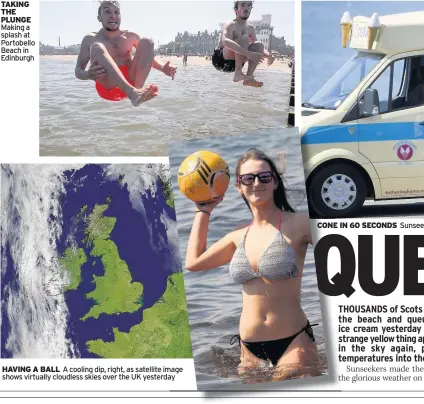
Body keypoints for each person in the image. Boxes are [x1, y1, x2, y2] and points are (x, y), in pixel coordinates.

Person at [185, 149, 318, 380]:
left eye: (264, 177)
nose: (257, 183)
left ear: (274, 182)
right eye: (248, 178)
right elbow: (193, 263)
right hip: (249, 351)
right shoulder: (238, 235)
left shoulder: (299, 223)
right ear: (238, 186)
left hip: (294, 343)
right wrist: (204, 210)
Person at [74, 1, 176, 106]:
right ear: (99, 18)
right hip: (107, 86)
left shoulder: (131, 36)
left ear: (120, 16)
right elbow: (78, 71)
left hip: (132, 83)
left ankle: (137, 92)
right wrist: (88, 75)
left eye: (116, 12)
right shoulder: (90, 39)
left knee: (147, 41)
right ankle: (133, 93)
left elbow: (147, 58)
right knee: (96, 46)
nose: (113, 16)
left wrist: (163, 67)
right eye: (107, 12)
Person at [212, 1, 275, 87]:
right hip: (220, 60)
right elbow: (225, 41)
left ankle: (248, 78)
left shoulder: (250, 28)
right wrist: (248, 53)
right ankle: (238, 72)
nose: (246, 8)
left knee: (259, 45)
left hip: (236, 62)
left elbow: (258, 47)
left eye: (249, 5)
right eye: (243, 5)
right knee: (244, 38)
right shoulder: (230, 24)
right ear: (236, 10)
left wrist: (268, 55)